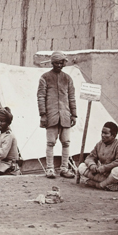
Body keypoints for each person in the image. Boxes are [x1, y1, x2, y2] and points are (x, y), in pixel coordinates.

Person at [37, 51, 77, 179]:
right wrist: (43, 114)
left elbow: (72, 98)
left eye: (61, 63)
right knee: (50, 143)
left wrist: (74, 115)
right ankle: (49, 169)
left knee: (66, 142)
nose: (59, 65)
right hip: (51, 116)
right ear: (52, 63)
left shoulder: (68, 78)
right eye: (56, 63)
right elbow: (41, 97)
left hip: (65, 116)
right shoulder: (45, 77)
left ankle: (64, 168)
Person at [77, 121, 118, 191]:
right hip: (105, 175)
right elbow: (90, 157)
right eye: (102, 132)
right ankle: (108, 184)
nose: (102, 135)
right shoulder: (99, 144)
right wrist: (92, 165)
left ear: (113, 135)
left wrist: (104, 168)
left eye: (106, 133)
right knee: (82, 166)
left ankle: (99, 185)